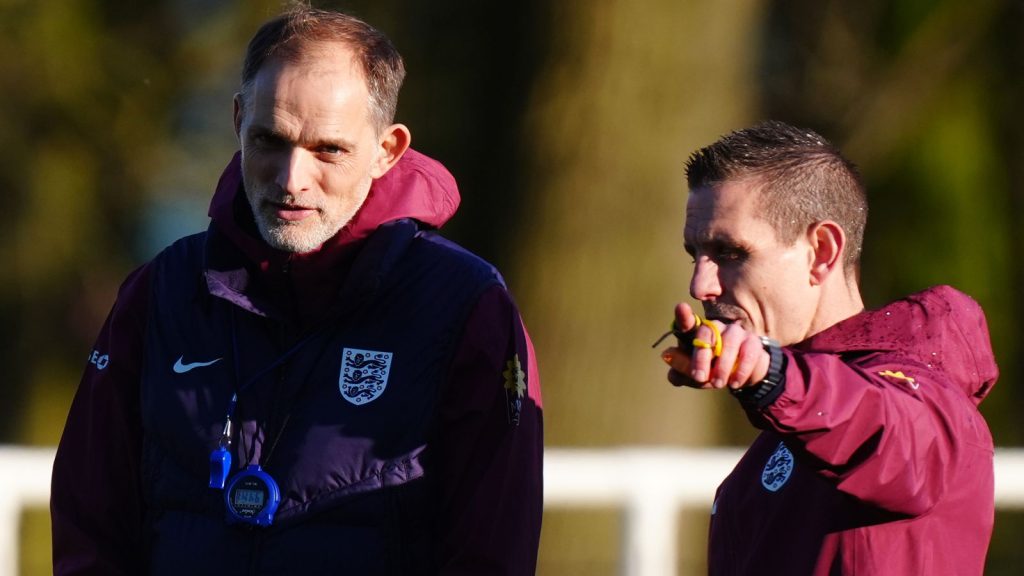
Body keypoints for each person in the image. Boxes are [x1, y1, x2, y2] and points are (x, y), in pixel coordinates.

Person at [50, 6, 542, 575]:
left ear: (388, 149)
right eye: (269, 140)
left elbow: (492, 550)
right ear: (238, 120)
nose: (291, 179)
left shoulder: (465, 308)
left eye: (328, 149)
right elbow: (91, 525)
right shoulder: (161, 292)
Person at [659, 121, 997, 575]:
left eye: (730, 253)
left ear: (821, 251)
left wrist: (771, 377)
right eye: (694, 254)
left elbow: (894, 442)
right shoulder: (786, 426)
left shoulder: (921, 398)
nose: (700, 284)